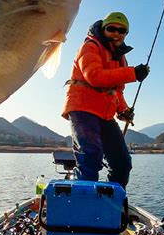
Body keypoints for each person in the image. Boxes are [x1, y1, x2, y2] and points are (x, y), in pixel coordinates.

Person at [62, 12, 150, 189]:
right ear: (103, 29)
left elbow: (116, 90)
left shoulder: (120, 57)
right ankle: (84, 206)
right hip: (83, 108)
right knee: (90, 157)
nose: (116, 33)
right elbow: (94, 76)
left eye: (122, 30)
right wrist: (133, 73)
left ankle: (111, 203)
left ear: (126, 34)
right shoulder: (90, 46)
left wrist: (123, 110)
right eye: (111, 29)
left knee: (122, 162)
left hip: (105, 115)